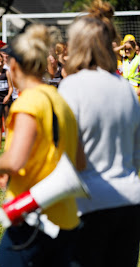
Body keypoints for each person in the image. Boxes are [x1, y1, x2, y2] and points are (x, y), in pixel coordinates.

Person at [0, 24, 81, 267]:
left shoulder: (28, 102)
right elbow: (80, 160)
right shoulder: (59, 98)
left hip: (33, 214)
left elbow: (15, 161)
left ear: (14, 66)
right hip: (66, 215)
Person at [58, 1, 140, 266]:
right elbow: (136, 154)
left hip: (89, 203)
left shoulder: (71, 87)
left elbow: (64, 153)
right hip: (130, 201)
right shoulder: (126, 88)